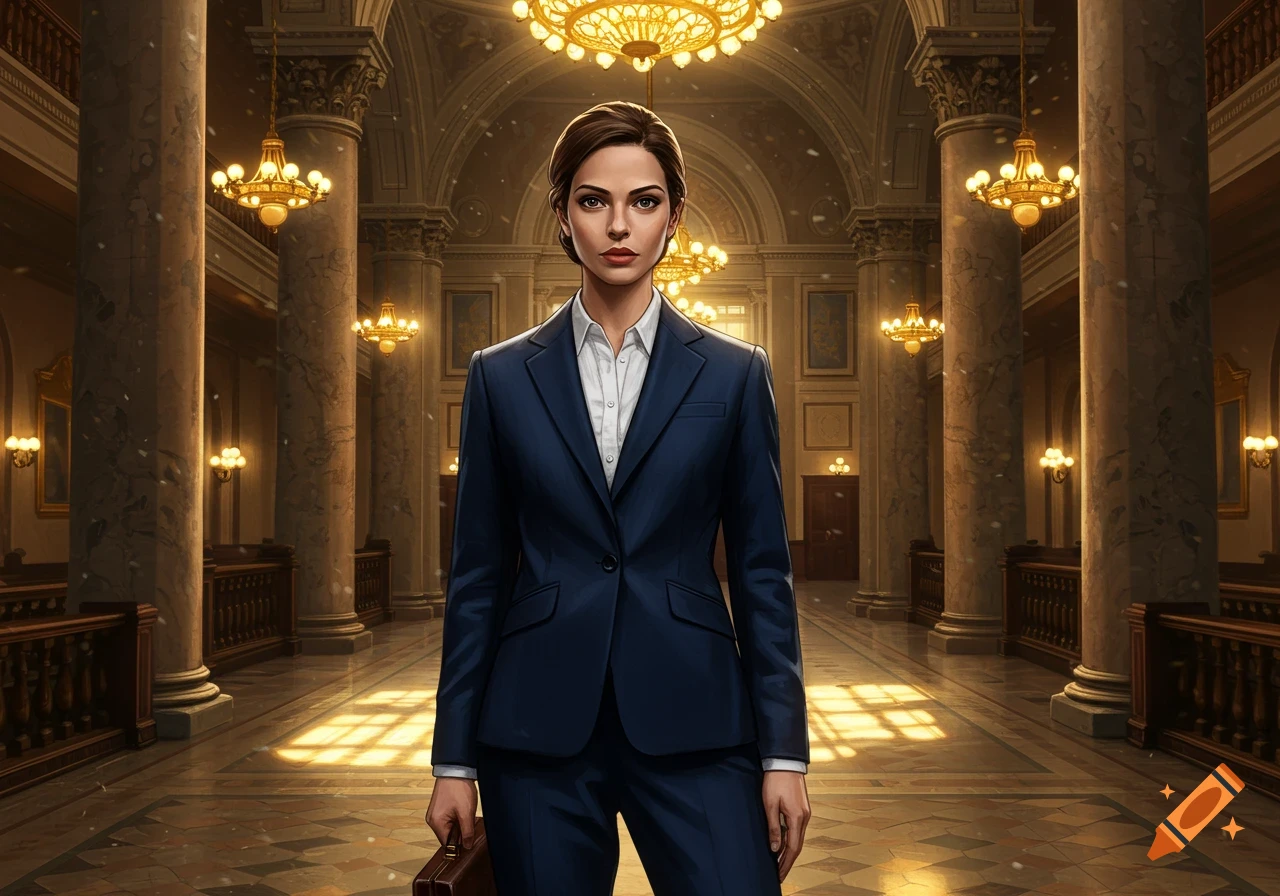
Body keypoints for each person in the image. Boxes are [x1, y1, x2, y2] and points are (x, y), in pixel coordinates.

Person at [426, 100, 810, 895]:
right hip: (534, 729)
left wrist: (784, 753)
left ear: (674, 216)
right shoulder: (499, 375)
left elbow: (764, 573)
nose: (618, 225)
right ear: (564, 218)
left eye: (644, 201)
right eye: (593, 200)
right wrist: (453, 759)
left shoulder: (737, 372)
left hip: (697, 718)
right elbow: (477, 580)